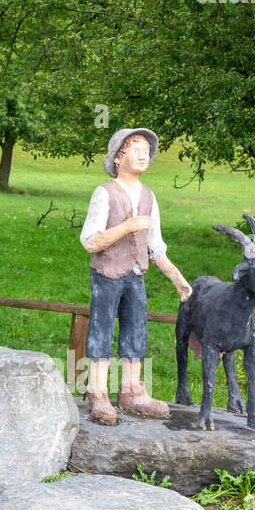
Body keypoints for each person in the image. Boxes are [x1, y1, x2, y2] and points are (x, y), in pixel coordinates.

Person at [79, 128, 192, 425]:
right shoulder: (105, 193)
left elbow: (155, 245)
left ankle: (131, 391)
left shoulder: (149, 197)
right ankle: (97, 392)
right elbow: (90, 241)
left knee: (136, 330)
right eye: (135, 149)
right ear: (118, 157)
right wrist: (127, 227)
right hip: (107, 273)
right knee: (101, 329)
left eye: (146, 151)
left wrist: (176, 277)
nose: (143, 155)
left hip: (136, 274)